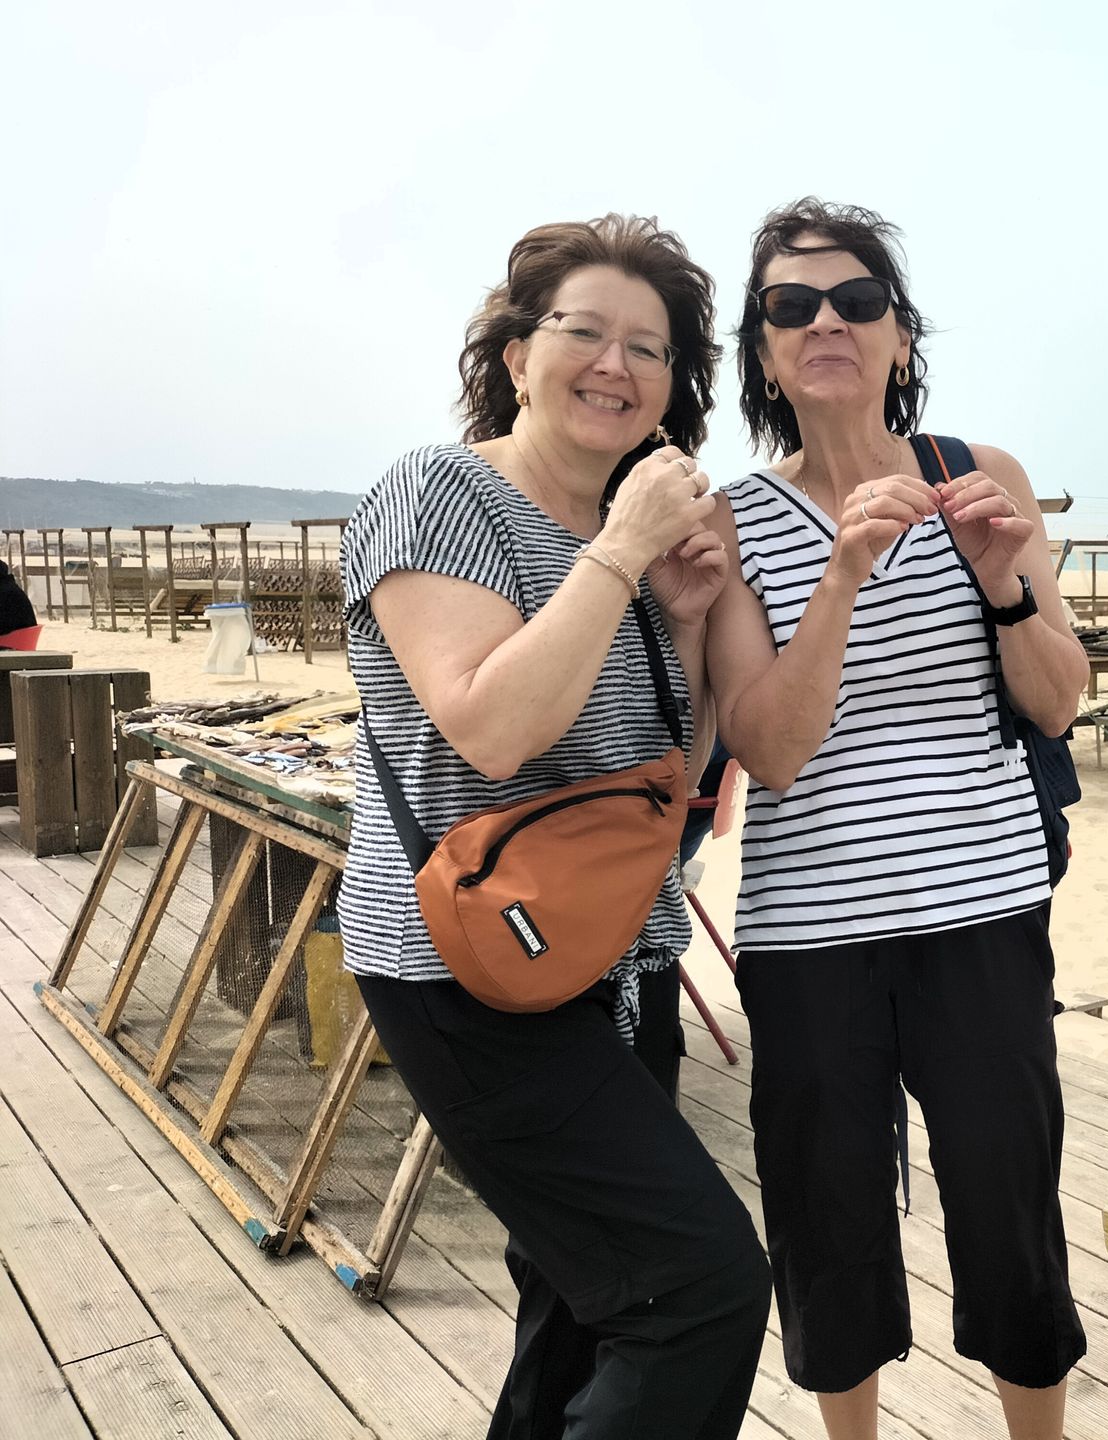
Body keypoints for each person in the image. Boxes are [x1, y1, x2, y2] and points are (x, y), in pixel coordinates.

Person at [339, 214, 769, 1440]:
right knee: (697, 1288)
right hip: (460, 967)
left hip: (609, 961)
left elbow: (663, 793)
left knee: (583, 1303)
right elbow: (490, 729)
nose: (618, 365)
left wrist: (680, 614)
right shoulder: (441, 492)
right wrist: (627, 550)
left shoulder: (618, 544)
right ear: (517, 352)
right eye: (585, 331)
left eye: (654, 347)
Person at [705, 198, 1089, 1440]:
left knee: (1007, 1200)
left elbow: (1058, 699)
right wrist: (841, 577)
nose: (828, 322)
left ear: (899, 335)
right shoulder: (732, 519)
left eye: (858, 300)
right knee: (826, 1214)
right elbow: (768, 748)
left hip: (983, 905)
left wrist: (1003, 584)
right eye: (791, 306)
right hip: (810, 928)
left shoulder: (980, 476)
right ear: (763, 352)